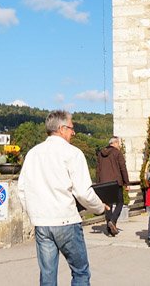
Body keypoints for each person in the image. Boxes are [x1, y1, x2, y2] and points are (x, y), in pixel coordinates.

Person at [18, 110, 109, 286]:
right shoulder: (73, 153)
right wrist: (99, 208)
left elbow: (22, 189)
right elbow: (83, 192)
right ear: (61, 128)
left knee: (47, 275)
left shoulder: (33, 154)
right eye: (71, 128)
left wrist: (34, 214)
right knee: (80, 272)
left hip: (42, 222)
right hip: (66, 220)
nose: (73, 132)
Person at [95, 136, 130, 236]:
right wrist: (126, 183)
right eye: (118, 143)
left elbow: (98, 170)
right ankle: (113, 221)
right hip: (115, 182)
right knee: (120, 202)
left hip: (104, 183)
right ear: (114, 143)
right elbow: (123, 168)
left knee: (108, 205)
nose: (119, 145)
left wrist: (98, 184)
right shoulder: (117, 153)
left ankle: (109, 231)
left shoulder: (100, 154)